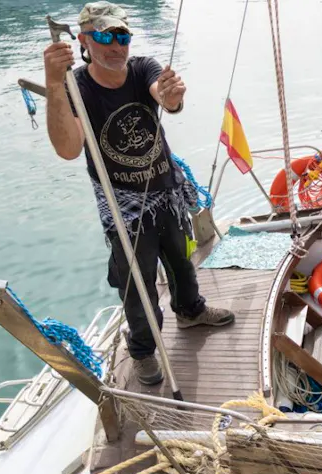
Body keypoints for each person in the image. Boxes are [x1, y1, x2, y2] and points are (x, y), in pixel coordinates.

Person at [43, 1, 234, 386]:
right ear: (84, 41)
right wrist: (53, 85)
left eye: (122, 36)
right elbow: (68, 149)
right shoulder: (75, 87)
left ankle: (190, 310)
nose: (115, 45)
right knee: (137, 282)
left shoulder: (143, 67)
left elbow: (164, 95)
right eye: (104, 36)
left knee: (181, 260)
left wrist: (172, 96)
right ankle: (144, 349)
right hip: (123, 206)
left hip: (164, 191)